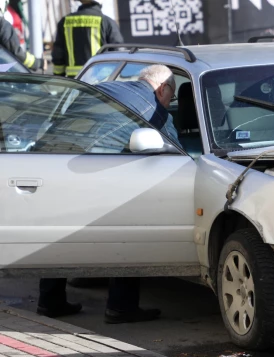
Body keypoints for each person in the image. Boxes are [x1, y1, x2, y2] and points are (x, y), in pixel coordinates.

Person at [38, 65, 180, 324]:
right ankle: (121, 307)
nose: (170, 104)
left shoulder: (104, 88)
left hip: (53, 164)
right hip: (96, 174)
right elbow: (177, 155)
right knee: (128, 233)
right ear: (162, 89)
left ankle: (50, 301)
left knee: (56, 237)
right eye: (172, 97)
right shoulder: (154, 109)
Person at [52, 0, 123, 78]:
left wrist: (58, 76)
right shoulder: (107, 22)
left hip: (74, 79)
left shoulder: (65, 21)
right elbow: (118, 52)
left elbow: (58, 54)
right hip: (101, 80)